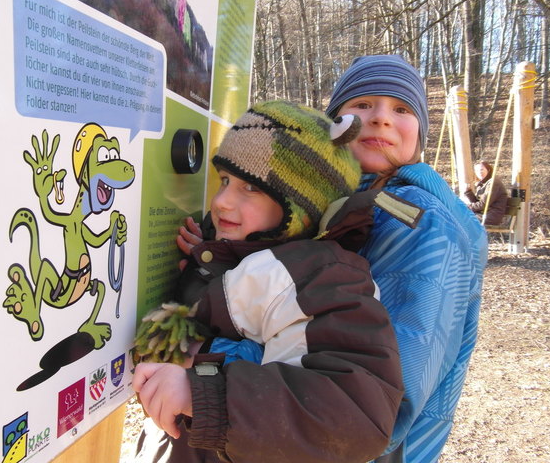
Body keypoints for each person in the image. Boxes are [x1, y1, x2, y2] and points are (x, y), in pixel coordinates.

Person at [132, 100, 410, 463]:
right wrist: (207, 260)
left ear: (301, 206)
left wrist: (200, 394)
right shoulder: (241, 256)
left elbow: (356, 414)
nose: (222, 203)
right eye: (226, 181)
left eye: (251, 189)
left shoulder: (325, 277)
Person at [322, 54, 489, 462]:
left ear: (419, 135)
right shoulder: (344, 200)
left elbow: (393, 382)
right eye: (362, 104)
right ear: (333, 123)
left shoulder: (419, 219)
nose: (380, 118)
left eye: (401, 109)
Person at [464, 160, 509, 225]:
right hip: (483, 213)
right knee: (460, 216)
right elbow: (478, 203)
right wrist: (468, 192)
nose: (479, 172)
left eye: (482, 169)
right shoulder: (483, 184)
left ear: (488, 169)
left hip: (492, 216)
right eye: (477, 171)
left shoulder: (493, 183)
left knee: (462, 218)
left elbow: (483, 204)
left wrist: (466, 207)